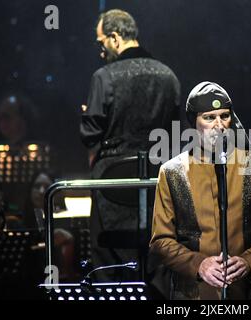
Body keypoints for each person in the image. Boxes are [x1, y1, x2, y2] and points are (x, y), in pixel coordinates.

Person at [149, 82, 251, 300]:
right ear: (194, 122)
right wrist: (199, 264)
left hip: (248, 291)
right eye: (209, 117)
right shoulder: (172, 172)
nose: (219, 125)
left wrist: (249, 261)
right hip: (194, 293)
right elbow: (161, 240)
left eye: (224, 116)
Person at [80, 9, 180, 281]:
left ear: (114, 38)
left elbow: (89, 134)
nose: (101, 51)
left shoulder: (104, 76)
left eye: (101, 43)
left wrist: (87, 112)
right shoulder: (169, 76)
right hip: (157, 183)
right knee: (158, 260)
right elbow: (177, 134)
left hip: (112, 185)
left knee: (110, 264)